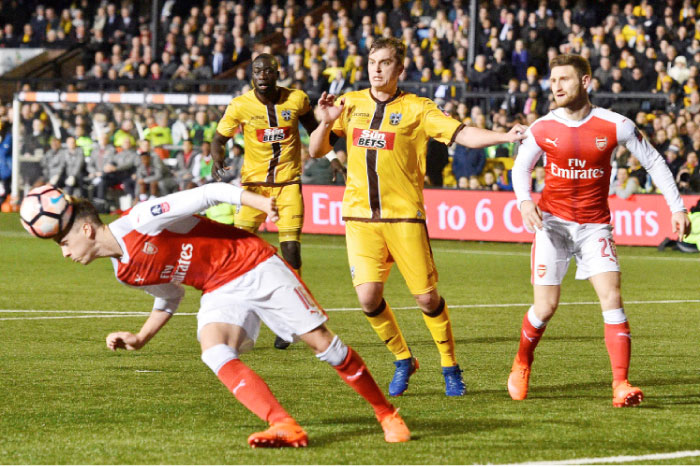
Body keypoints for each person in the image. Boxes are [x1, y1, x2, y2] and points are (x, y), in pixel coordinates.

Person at [47, 183, 410, 447]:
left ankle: (386, 414)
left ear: (86, 229)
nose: (65, 254)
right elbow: (170, 296)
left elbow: (209, 192)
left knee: (322, 344)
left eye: (64, 243)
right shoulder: (124, 272)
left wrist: (260, 203)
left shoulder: (142, 219)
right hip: (219, 288)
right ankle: (282, 424)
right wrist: (141, 337)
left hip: (253, 263)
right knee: (214, 349)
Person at [308, 37, 526, 397]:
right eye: (372, 62)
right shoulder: (350, 103)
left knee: (426, 299)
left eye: (385, 63)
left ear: (400, 69)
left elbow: (462, 134)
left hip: (404, 217)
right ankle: (402, 359)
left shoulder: (417, 109)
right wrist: (326, 122)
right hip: (360, 218)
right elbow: (317, 150)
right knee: (367, 299)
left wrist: (505, 135)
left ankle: (449, 365)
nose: (376, 69)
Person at [510, 54, 690, 407]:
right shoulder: (542, 127)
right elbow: (521, 167)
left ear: (586, 82)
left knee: (612, 298)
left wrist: (678, 206)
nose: (556, 86)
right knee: (545, 308)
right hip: (552, 226)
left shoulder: (614, 124)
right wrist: (524, 201)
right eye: (553, 79)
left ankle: (621, 384)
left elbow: (653, 160)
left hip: (595, 227)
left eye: (564, 79)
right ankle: (522, 361)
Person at [211, 53, 343, 350]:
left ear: (277, 72)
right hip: (254, 190)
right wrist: (216, 160)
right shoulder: (240, 105)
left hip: (288, 185)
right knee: (238, 253)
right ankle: (236, 318)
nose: (262, 74)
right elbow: (219, 139)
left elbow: (316, 132)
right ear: (251, 74)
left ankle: (291, 323)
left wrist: (333, 158)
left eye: (267, 70)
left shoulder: (296, 100)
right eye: (257, 70)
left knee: (292, 255)